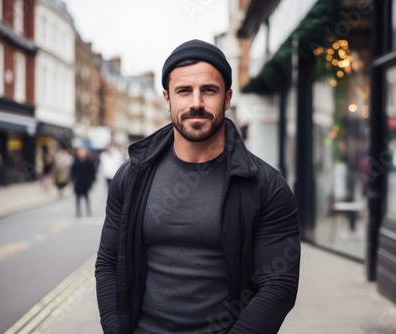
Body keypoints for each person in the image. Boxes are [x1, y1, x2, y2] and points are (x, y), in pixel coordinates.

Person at [95, 39, 300, 334]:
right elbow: (109, 264)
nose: (196, 103)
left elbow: (278, 286)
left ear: (227, 98)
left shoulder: (267, 186)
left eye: (208, 90)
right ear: (167, 99)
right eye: (184, 91)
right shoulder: (131, 177)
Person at [70, 147, 96, 217]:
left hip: (86, 182)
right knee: (78, 197)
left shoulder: (89, 161)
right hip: (78, 182)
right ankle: (78, 210)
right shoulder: (76, 161)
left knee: (86, 196)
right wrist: (72, 179)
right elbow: (72, 172)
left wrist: (92, 180)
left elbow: (92, 172)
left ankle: (88, 209)